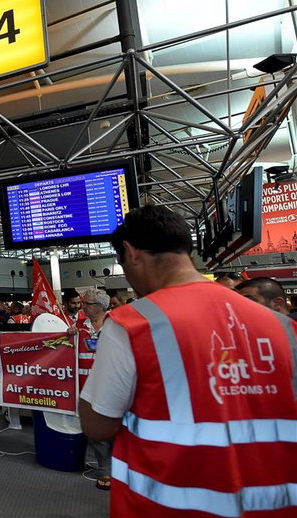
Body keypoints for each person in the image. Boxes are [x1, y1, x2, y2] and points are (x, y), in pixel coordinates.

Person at [79, 205, 297, 517]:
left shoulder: (134, 323)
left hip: (171, 505)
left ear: (131, 251)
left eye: (121, 263)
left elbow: (97, 425)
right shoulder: (283, 328)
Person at [75, 288, 112, 491]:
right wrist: (68, 334)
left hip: (112, 383)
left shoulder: (116, 323)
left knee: (117, 427)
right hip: (86, 385)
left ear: (99, 307)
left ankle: (123, 466)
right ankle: (105, 469)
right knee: (98, 430)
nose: (83, 307)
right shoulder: (79, 325)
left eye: (87, 304)